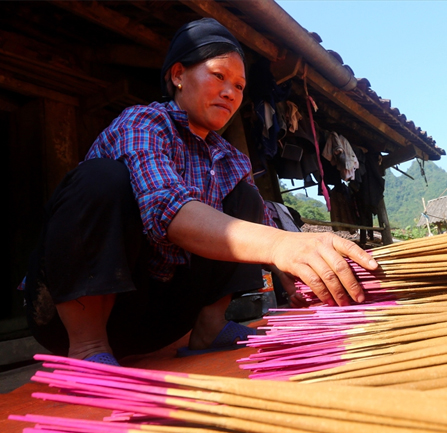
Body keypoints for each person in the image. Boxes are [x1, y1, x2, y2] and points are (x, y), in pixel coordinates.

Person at [23, 18, 377, 365]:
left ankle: (209, 328)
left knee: (248, 198)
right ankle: (88, 347)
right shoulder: (143, 123)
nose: (230, 92)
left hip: (161, 318)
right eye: (219, 76)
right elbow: (165, 206)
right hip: (74, 313)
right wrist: (278, 245)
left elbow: (266, 226)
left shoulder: (230, 159)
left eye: (239, 86)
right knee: (100, 178)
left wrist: (296, 273)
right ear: (177, 75)